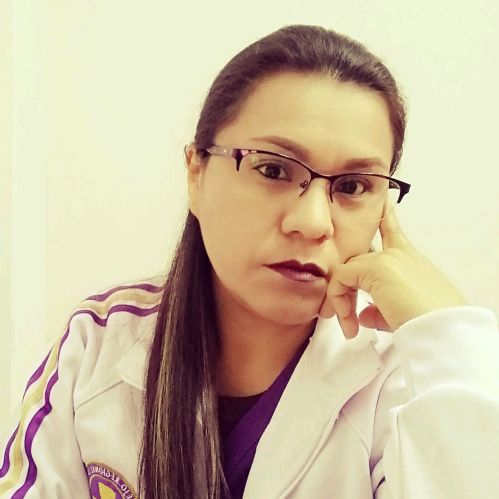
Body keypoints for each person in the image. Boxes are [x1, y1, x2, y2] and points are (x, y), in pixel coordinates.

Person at [1, 24, 498, 499]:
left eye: (352, 186)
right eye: (273, 169)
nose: (313, 222)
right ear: (196, 173)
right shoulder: (97, 345)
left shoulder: (408, 381)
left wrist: (449, 333)